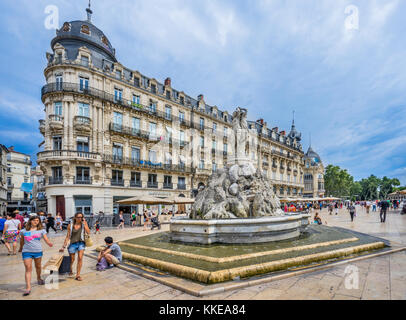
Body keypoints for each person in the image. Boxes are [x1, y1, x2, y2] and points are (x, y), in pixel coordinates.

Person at [19, 215, 53, 296]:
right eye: (34, 220)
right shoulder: (24, 231)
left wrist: (49, 243)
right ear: (30, 221)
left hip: (38, 251)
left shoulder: (41, 230)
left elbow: (46, 239)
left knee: (38, 266)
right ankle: (28, 288)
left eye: (37, 220)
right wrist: (20, 248)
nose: (35, 222)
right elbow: (22, 241)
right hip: (26, 251)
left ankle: (39, 278)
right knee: (28, 268)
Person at [59, 212, 90, 281]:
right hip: (72, 244)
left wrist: (85, 225)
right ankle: (70, 269)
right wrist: (63, 246)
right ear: (75, 218)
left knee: (80, 258)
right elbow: (67, 237)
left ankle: (78, 275)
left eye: (81, 217)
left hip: (81, 243)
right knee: (72, 259)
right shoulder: (70, 225)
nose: (80, 218)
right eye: (78, 217)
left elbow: (88, 232)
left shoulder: (83, 224)